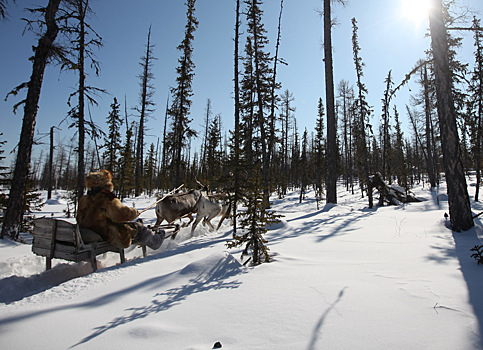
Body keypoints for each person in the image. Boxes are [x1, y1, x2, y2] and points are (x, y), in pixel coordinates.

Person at [76, 169, 165, 250]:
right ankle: (156, 242)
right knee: (139, 228)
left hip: (87, 232)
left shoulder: (84, 199)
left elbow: (79, 218)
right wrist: (134, 212)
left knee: (133, 225)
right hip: (108, 234)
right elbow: (122, 214)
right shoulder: (108, 199)